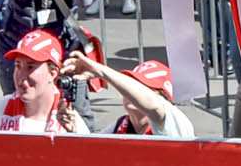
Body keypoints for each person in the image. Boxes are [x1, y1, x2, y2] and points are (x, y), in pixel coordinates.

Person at [0, 31, 89, 134]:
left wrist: (72, 135)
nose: (21, 76)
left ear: (53, 73)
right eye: (18, 65)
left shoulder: (72, 123)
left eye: (30, 67)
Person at [66, 49, 194, 138]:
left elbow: (155, 106)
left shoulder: (173, 120)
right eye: (131, 83)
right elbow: (95, 152)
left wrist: (100, 71)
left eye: (142, 86)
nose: (130, 92)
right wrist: (75, 127)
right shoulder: (120, 126)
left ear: (163, 96)